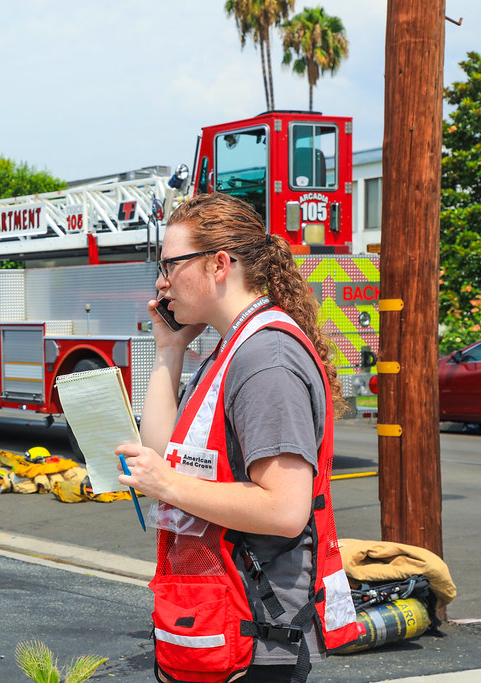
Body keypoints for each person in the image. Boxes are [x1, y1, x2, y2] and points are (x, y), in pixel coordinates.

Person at [115, 193, 357, 683]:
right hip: (215, 626)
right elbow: (163, 456)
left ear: (219, 264)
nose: (160, 282)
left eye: (170, 265)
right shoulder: (232, 346)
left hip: (255, 640)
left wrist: (169, 486)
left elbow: (285, 510)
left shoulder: (265, 360)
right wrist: (168, 349)